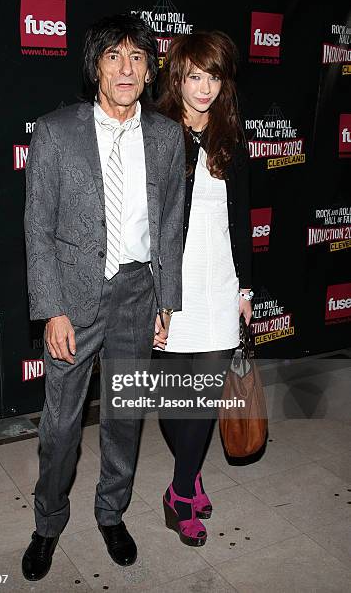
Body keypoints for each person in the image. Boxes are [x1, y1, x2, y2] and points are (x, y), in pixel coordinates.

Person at [22, 13, 185, 580]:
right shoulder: (54, 132)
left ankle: (111, 512)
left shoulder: (167, 138)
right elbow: (38, 227)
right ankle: (48, 521)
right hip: (73, 296)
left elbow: (170, 226)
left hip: (138, 295)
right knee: (61, 425)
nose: (126, 68)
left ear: (148, 71)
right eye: (113, 57)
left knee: (124, 418)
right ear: (95, 67)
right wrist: (51, 309)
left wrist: (167, 301)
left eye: (137, 58)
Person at [153, 30, 253, 547]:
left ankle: (180, 491)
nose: (204, 87)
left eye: (213, 76)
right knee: (175, 401)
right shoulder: (158, 132)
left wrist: (246, 290)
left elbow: (243, 224)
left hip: (220, 282)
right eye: (195, 75)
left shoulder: (231, 136)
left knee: (205, 395)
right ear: (178, 77)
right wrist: (152, 294)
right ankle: (191, 472)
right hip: (173, 281)